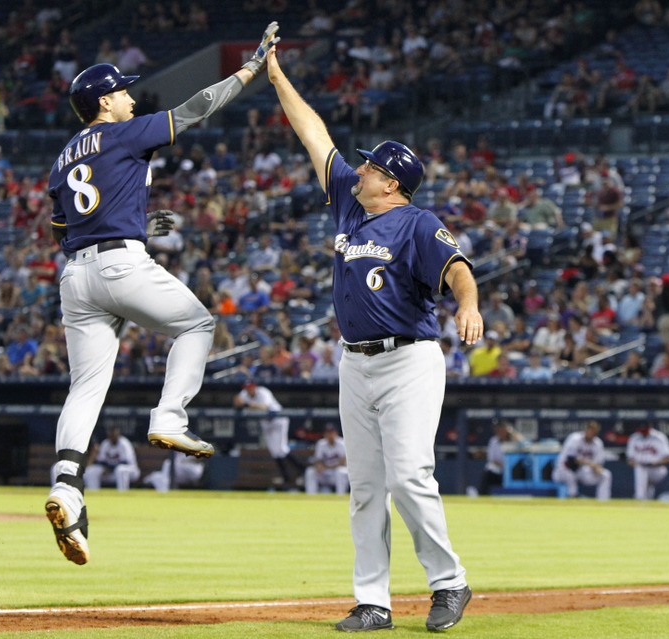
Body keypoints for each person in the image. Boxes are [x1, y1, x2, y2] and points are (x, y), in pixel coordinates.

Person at [44, 23, 280, 566]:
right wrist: (248, 69)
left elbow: (63, 231)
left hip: (76, 276)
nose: (130, 94)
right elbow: (195, 108)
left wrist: (139, 220)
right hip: (121, 264)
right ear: (104, 102)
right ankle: (169, 416)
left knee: (86, 386)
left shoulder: (60, 159)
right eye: (122, 90)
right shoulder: (124, 132)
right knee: (198, 325)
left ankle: (66, 484)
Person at [267, 45, 480, 633]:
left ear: (390, 181)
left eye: (369, 167)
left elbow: (458, 267)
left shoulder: (416, 221)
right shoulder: (348, 209)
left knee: (409, 474)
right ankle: (373, 602)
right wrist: (277, 75)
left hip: (409, 360)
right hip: (353, 363)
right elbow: (313, 134)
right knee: (364, 487)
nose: (356, 170)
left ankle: (449, 583)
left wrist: (469, 304)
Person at [233, 381, 305, 486]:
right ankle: (286, 477)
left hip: (278, 419)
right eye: (247, 388)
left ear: (255, 387)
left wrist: (246, 404)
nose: (249, 390)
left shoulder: (263, 392)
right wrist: (237, 399)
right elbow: (236, 402)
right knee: (274, 451)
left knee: (281, 449)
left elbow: (264, 407)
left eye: (251, 388)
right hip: (265, 422)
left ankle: (302, 471)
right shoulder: (244, 393)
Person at [552, 421, 611, 500]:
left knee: (605, 475)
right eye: (590, 430)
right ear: (586, 430)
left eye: (594, 431)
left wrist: (597, 468)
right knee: (570, 475)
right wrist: (590, 463)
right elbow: (571, 460)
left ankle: (603, 501)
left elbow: (598, 463)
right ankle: (573, 496)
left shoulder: (598, 443)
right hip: (563, 470)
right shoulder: (575, 438)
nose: (591, 433)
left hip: (582, 471)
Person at [82, 426, 140, 491]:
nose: (112, 437)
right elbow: (101, 461)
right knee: (91, 471)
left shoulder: (124, 443)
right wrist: (105, 468)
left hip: (130, 471)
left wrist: (108, 468)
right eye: (110, 435)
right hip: (111, 472)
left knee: (120, 470)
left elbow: (125, 462)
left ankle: (123, 495)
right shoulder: (105, 443)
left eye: (114, 435)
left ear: (118, 435)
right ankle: (93, 494)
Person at [626, 423, 669, 500]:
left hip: (658, 470)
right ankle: (645, 502)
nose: (643, 433)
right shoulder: (634, 437)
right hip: (641, 469)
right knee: (641, 468)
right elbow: (629, 460)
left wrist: (655, 463)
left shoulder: (659, 437)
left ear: (650, 427)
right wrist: (637, 463)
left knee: (641, 469)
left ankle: (639, 498)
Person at [479, 421, 522, 495]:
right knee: (489, 471)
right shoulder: (493, 440)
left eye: (503, 430)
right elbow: (491, 459)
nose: (500, 432)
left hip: (513, 469)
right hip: (497, 469)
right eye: (498, 430)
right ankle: (483, 495)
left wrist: (513, 433)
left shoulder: (514, 439)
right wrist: (504, 465)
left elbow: (523, 443)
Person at [305, 424, 349, 495]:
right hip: (325, 472)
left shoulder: (342, 443)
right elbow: (318, 459)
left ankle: (341, 496)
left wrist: (327, 467)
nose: (330, 435)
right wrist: (319, 465)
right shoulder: (321, 444)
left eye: (331, 432)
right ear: (324, 434)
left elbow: (342, 462)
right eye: (328, 433)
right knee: (310, 471)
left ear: (336, 433)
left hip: (336, 472)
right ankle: (311, 496)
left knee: (340, 472)